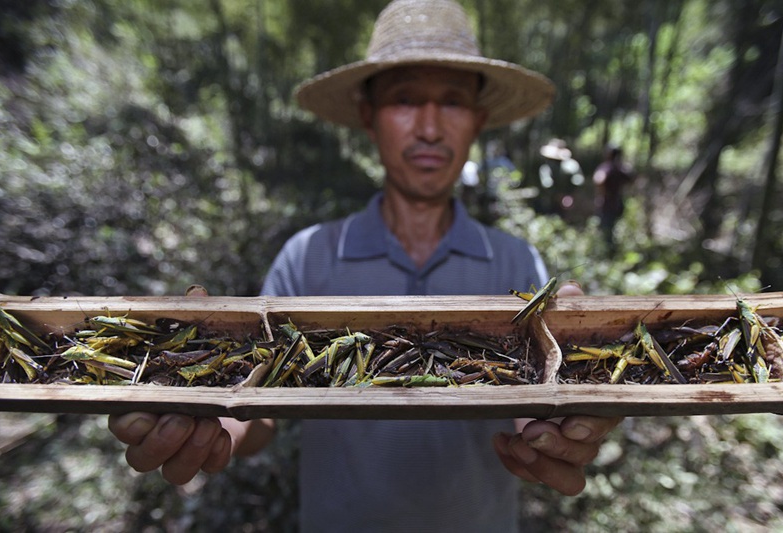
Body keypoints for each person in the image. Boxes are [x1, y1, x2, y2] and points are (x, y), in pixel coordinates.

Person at [108, 1, 622, 531]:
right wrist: (211, 422)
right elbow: (258, 408)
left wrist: (566, 415)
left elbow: (533, 398)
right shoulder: (307, 258)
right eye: (404, 100)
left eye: (452, 102)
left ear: (479, 120)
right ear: (368, 117)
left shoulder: (517, 262)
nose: (428, 127)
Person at [593, 144, 634, 252]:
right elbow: (631, 179)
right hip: (617, 202)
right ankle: (611, 251)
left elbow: (599, 179)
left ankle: (607, 252)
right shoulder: (621, 168)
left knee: (606, 230)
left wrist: (603, 192)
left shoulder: (607, 167)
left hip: (607, 203)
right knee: (612, 229)